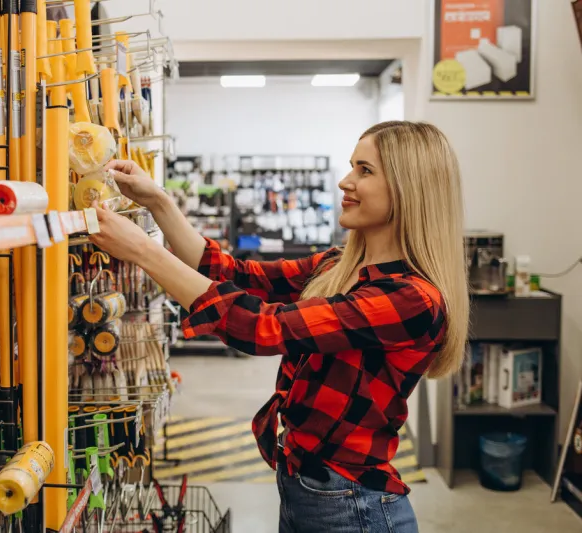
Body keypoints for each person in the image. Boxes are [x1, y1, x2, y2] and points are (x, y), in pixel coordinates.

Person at [90, 121, 469, 533]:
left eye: (365, 170)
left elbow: (261, 328)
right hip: (305, 488)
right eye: (352, 167)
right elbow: (232, 273)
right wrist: (158, 202)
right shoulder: (339, 265)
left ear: (408, 188)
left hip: (353, 506)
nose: (346, 181)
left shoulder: (410, 299)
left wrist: (143, 251)